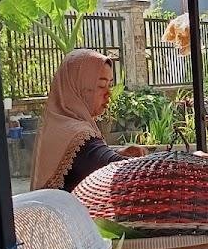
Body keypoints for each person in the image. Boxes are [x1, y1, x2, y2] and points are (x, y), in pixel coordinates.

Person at [30, 49, 145, 192]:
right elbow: (120, 168)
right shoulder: (77, 135)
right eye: (101, 86)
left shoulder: (57, 124)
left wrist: (118, 152)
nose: (108, 93)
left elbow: (89, 161)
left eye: (109, 85)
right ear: (78, 88)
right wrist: (163, 162)